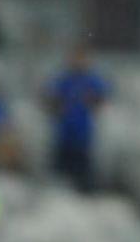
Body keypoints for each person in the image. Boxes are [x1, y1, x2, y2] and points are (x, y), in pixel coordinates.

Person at [44, 44, 108, 193]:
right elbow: (49, 98)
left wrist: (93, 102)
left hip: (83, 133)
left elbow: (101, 98)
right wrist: (56, 106)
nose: (77, 61)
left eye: (81, 58)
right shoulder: (63, 79)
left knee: (82, 170)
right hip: (64, 132)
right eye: (75, 58)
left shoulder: (91, 80)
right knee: (61, 169)